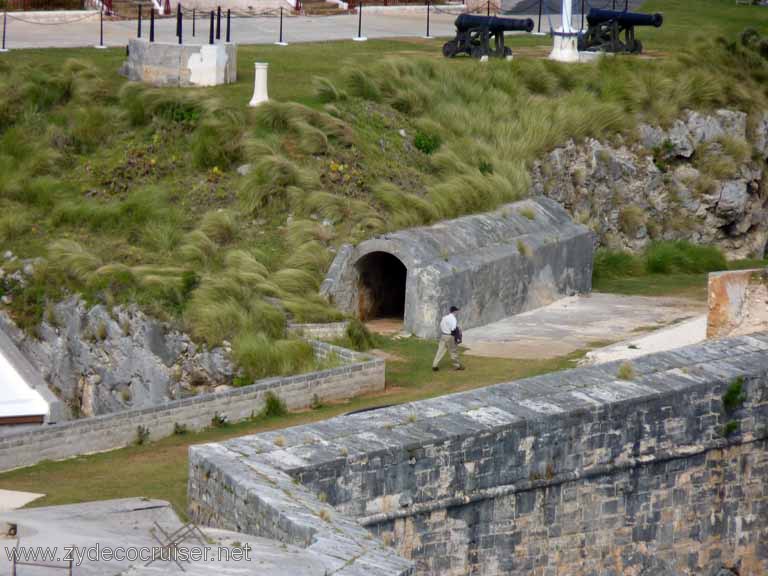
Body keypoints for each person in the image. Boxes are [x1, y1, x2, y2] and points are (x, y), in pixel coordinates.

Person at [432, 306, 465, 372]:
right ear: (454, 311)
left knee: (440, 351)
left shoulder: (444, 317)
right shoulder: (453, 318)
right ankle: (457, 366)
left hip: (443, 335)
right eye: (457, 311)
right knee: (453, 351)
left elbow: (441, 325)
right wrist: (458, 335)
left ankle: (434, 365)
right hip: (450, 336)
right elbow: (453, 329)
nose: (457, 312)